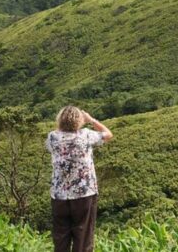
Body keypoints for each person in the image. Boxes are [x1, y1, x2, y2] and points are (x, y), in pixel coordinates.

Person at [45, 106, 113, 252]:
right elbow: (108, 134)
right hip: (84, 194)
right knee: (83, 237)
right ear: (79, 120)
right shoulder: (86, 135)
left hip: (59, 195)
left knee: (60, 237)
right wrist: (91, 120)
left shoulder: (52, 137)